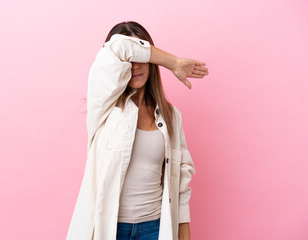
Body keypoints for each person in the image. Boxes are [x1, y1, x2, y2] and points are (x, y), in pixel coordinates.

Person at [66, 21, 209, 240]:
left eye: (142, 59)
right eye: (129, 59)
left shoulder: (171, 116)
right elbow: (115, 48)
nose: (136, 66)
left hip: (156, 228)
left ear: (151, 63)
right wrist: (174, 62)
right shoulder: (104, 106)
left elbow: (181, 185)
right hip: (112, 230)